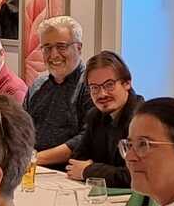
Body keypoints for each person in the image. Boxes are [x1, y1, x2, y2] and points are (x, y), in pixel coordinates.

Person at [34, 51, 142, 187]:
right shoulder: (95, 116)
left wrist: (89, 170)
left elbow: (134, 175)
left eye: (109, 85)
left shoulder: (141, 120)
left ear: (127, 83)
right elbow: (76, 162)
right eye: (94, 88)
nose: (102, 94)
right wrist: (100, 170)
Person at [24, 16, 94, 157]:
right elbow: (21, 128)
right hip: (33, 164)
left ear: (79, 48)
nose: (54, 54)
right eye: (47, 48)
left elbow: (87, 138)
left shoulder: (91, 86)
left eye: (61, 47)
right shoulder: (38, 85)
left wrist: (36, 159)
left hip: (68, 168)